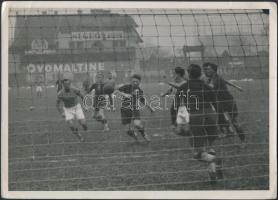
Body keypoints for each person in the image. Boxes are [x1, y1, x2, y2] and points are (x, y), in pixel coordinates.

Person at [165, 64, 223, 184]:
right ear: (200, 74)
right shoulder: (206, 86)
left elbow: (174, 107)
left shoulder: (184, 87)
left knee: (198, 153)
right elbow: (217, 104)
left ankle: (216, 160)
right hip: (211, 116)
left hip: (196, 117)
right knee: (208, 146)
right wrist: (219, 121)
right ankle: (213, 173)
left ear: (188, 74)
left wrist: (173, 123)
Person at [202, 62, 245, 142]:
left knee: (234, 122)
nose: (206, 71)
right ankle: (228, 131)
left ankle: (243, 141)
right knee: (217, 117)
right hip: (219, 103)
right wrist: (237, 87)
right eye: (205, 69)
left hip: (228, 102)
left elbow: (210, 87)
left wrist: (198, 85)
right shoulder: (213, 77)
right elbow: (226, 81)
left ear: (213, 70)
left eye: (208, 69)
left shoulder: (215, 79)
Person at [116, 74, 153, 142]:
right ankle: (134, 135)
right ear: (131, 81)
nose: (135, 83)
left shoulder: (140, 91)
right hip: (125, 109)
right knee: (128, 130)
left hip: (134, 109)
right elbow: (116, 91)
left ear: (139, 82)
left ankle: (144, 133)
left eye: (137, 82)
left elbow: (143, 100)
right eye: (133, 81)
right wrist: (124, 94)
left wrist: (150, 108)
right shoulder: (126, 87)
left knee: (137, 124)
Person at [56, 76, 87, 142]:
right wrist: (62, 112)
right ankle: (79, 136)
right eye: (65, 84)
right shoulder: (60, 93)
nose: (67, 86)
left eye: (68, 84)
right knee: (71, 126)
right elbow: (57, 104)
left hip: (77, 107)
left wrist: (84, 105)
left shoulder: (74, 89)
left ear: (70, 84)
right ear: (63, 85)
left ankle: (83, 125)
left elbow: (82, 96)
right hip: (67, 109)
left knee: (83, 124)